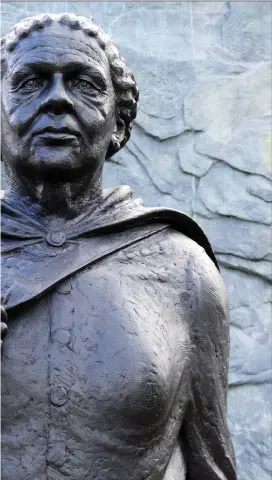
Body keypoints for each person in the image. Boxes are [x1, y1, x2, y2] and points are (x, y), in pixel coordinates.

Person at [1, 13, 237, 480]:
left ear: (117, 119)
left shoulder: (181, 269)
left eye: (84, 83)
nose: (56, 101)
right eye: (29, 82)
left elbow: (209, 464)